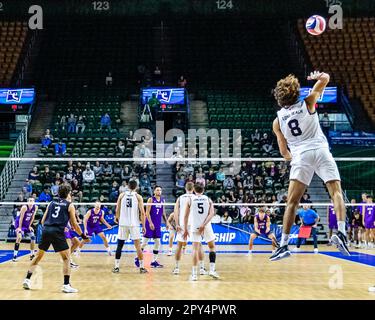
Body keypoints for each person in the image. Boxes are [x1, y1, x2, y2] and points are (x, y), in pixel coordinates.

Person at [270, 71, 349, 261]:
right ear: (296, 92)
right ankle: (341, 231)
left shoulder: (277, 121)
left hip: (301, 156)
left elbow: (283, 152)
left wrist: (293, 159)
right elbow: (326, 79)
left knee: (292, 202)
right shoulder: (308, 101)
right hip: (321, 150)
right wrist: (319, 76)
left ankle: (283, 245)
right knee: (336, 192)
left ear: (279, 98)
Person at [22, 184, 88, 293]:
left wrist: (49, 229)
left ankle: (27, 279)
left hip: (46, 230)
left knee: (38, 256)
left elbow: (42, 221)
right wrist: (83, 236)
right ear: (68, 193)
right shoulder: (69, 205)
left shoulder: (51, 203)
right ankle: (66, 285)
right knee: (66, 258)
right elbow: (75, 225)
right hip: (57, 231)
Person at [183, 183, 219, 281]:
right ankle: (212, 270)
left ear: (194, 190)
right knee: (212, 247)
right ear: (203, 190)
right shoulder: (208, 199)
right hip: (206, 225)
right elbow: (211, 213)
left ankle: (194, 274)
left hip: (195, 226)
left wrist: (186, 229)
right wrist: (204, 224)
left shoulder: (190, 199)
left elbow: (185, 216)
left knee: (195, 249)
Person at [112, 180, 148, 274]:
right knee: (138, 247)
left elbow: (117, 209)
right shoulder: (138, 196)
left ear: (127, 186)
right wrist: (143, 226)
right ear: (136, 187)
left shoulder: (122, 195)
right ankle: (141, 267)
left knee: (119, 246)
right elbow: (143, 213)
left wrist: (117, 218)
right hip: (134, 224)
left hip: (123, 223)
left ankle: (116, 267)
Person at [173, 182, 208, 275]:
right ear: (193, 188)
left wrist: (177, 224)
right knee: (198, 246)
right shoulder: (196, 197)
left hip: (182, 225)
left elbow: (175, 213)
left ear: (185, 188)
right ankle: (201, 268)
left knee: (179, 246)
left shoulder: (180, 198)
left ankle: (176, 268)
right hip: (194, 224)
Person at [137, 186, 169, 268]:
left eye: (160, 190)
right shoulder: (151, 199)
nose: (159, 191)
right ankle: (138, 258)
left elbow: (163, 213)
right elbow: (147, 213)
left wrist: (167, 222)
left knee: (158, 242)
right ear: (154, 191)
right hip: (149, 223)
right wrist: (150, 223)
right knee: (144, 242)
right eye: (157, 190)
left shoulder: (162, 200)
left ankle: (154, 261)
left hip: (158, 224)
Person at [12, 197, 38, 262]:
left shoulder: (35, 207)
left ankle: (32, 255)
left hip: (26, 225)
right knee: (19, 238)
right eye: (29, 200)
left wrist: (29, 226)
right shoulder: (24, 207)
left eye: (32, 200)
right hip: (19, 224)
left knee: (33, 237)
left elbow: (32, 217)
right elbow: (21, 218)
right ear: (27, 201)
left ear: (34, 201)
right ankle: (14, 256)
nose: (30, 201)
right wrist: (20, 228)